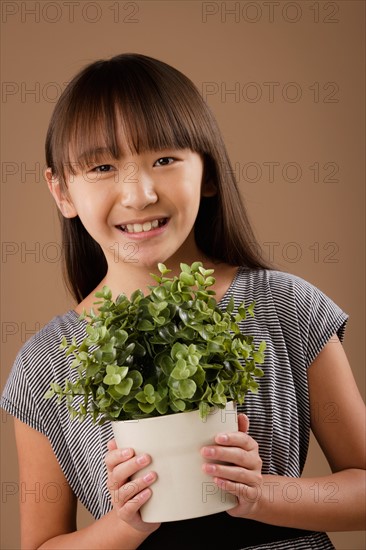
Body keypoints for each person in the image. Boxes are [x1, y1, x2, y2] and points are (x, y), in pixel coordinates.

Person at [1, 53, 365, 550]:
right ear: (62, 191)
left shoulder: (287, 308)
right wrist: (126, 524)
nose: (139, 194)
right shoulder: (44, 365)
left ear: (209, 172)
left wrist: (265, 495)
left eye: (164, 159)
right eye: (103, 167)